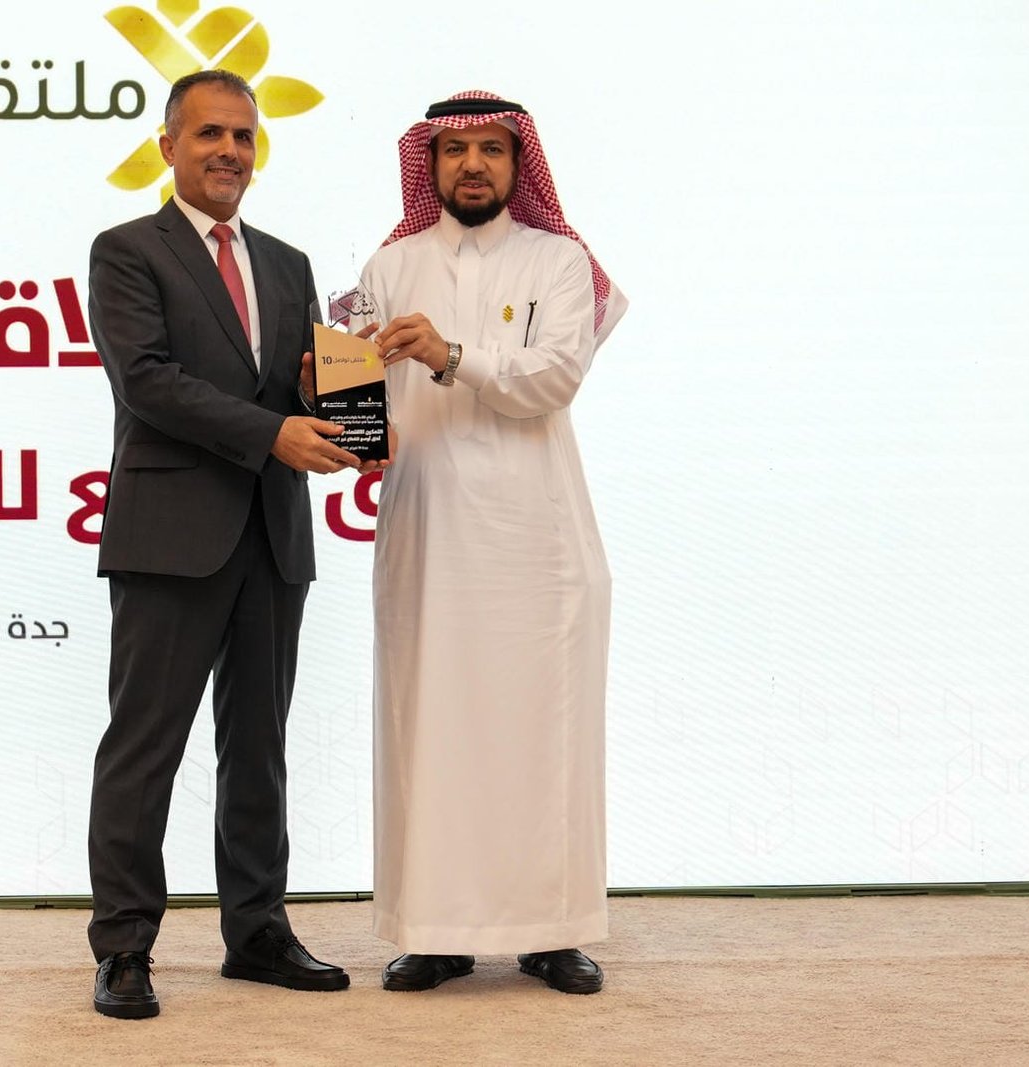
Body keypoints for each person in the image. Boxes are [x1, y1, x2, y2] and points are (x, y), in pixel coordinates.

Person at [84, 69, 361, 1019]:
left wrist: (358, 409)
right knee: (144, 747)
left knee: (258, 748)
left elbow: (299, 385)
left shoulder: (288, 263)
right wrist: (273, 433)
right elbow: (148, 381)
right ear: (168, 146)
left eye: (243, 136)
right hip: (171, 536)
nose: (229, 152)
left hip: (273, 536)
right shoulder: (127, 251)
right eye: (209, 134)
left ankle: (257, 931)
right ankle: (125, 946)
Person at [359, 90, 628, 995]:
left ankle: (554, 931)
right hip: (429, 532)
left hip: (536, 540)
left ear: (519, 164)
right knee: (429, 726)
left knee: (542, 731)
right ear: (429, 165)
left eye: (490, 150)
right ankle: (432, 930)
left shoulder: (560, 261)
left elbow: (553, 377)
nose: (471, 165)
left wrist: (449, 354)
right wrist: (340, 413)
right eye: (454, 151)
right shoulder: (389, 266)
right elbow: (360, 393)